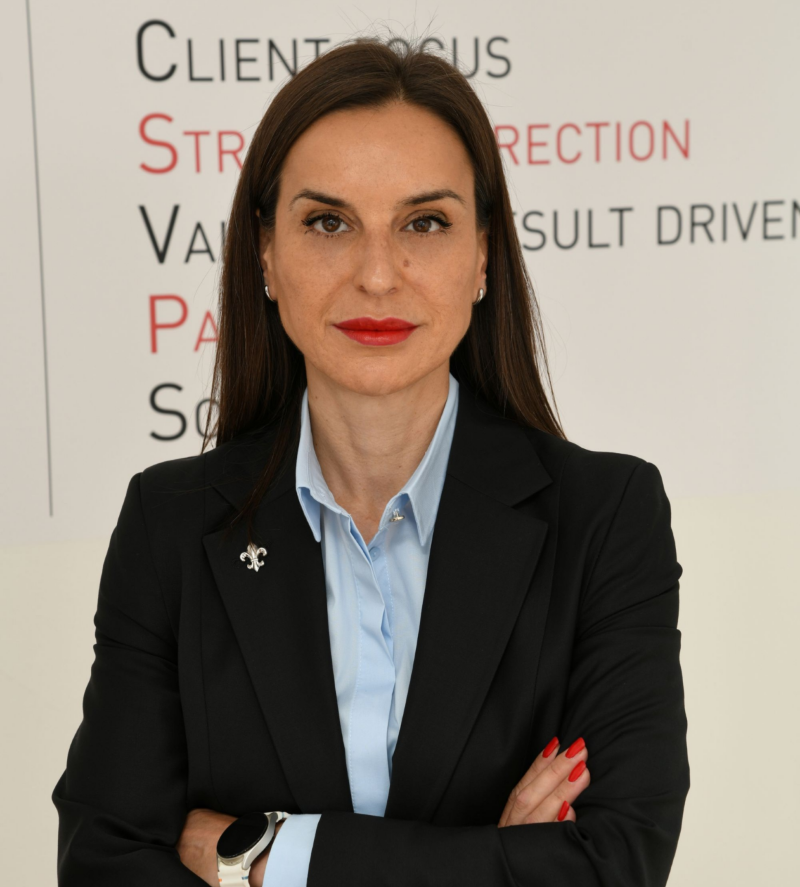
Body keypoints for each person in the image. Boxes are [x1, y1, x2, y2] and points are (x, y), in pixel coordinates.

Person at [52, 36, 689, 887]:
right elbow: (102, 864)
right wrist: (498, 859)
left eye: (425, 222)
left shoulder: (607, 518)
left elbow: (612, 866)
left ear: (484, 254)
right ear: (266, 254)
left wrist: (266, 859)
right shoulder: (168, 526)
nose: (378, 275)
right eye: (328, 222)